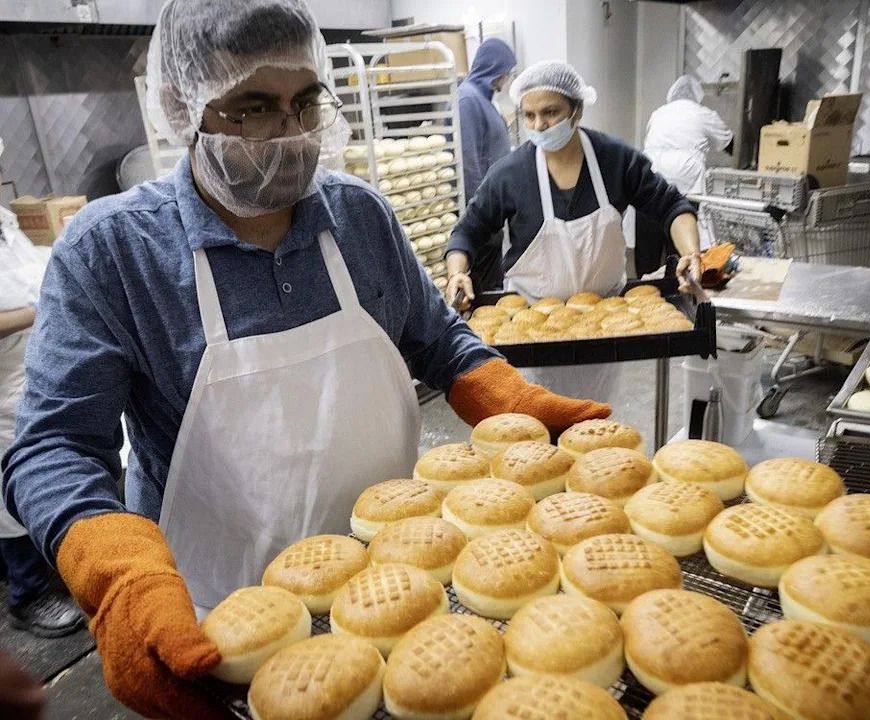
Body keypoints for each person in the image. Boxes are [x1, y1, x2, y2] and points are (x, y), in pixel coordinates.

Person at [1, 2, 609, 717]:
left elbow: (437, 338)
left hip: (399, 583)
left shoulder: (358, 215)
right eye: (253, 108)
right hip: (222, 611)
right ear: (180, 106)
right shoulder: (114, 251)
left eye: (305, 103)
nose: (290, 136)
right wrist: (117, 577)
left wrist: (513, 399)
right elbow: (55, 446)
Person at [444, 60, 702, 398]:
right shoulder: (510, 174)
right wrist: (457, 274)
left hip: (604, 319)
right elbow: (466, 233)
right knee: (536, 426)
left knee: (594, 420)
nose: (540, 124)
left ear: (576, 110)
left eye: (551, 112)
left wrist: (691, 253)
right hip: (531, 325)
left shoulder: (616, 159)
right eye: (529, 115)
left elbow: (672, 206)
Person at [0, 136, 84, 640]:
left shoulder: (4, 220)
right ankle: (28, 594)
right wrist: (44, 307)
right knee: (8, 491)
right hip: (0, 386)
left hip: (34, 370)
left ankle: (52, 572)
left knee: (44, 471)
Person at [457, 38, 517, 293]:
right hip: (483, 210)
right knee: (482, 285)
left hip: (496, 206)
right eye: (507, 72)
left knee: (494, 279)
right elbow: (468, 161)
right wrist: (481, 212)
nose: (508, 78)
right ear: (495, 68)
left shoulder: (485, 99)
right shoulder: (467, 100)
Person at [643, 74, 733, 196]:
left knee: (654, 210)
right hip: (686, 171)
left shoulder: (658, 113)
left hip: (653, 167)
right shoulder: (702, 113)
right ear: (697, 95)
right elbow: (729, 143)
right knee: (685, 211)